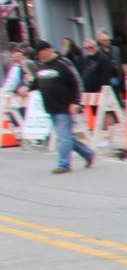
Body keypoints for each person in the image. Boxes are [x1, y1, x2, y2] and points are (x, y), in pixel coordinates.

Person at [31, 38, 94, 174]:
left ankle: (63, 164)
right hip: (51, 107)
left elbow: (77, 82)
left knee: (64, 137)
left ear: (48, 50)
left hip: (64, 106)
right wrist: (27, 87)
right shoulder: (41, 66)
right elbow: (36, 82)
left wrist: (77, 102)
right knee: (65, 137)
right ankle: (88, 153)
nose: (39, 57)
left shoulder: (63, 63)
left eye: (40, 53)